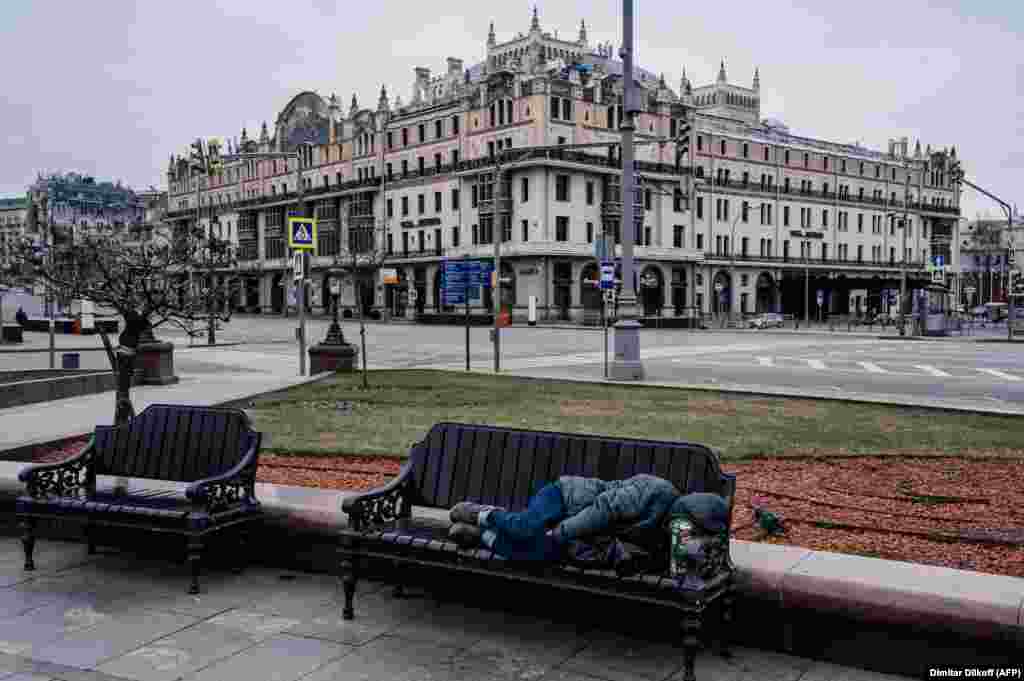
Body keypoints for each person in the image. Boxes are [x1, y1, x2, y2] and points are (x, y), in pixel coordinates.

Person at [447, 474, 728, 564]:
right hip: (565, 496)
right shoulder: (655, 491)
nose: (680, 531)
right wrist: (562, 532)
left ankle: (481, 536)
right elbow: (602, 509)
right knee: (527, 527)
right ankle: (479, 513)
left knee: (539, 553)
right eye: (683, 525)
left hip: (578, 527)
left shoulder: (667, 530)